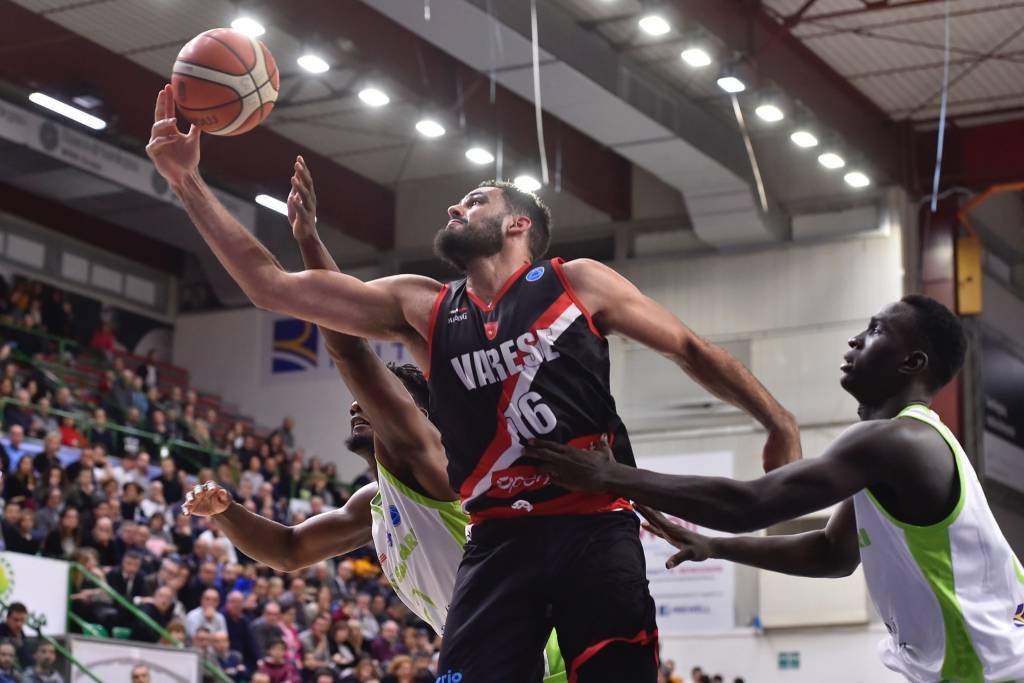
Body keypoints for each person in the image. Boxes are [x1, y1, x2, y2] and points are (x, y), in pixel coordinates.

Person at [149, 84, 799, 683]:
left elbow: (690, 348)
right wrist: (187, 182)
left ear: (518, 225)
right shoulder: (424, 308)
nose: (457, 204)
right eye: (458, 200)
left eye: (477, 199)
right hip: (498, 537)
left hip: (592, 523)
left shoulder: (578, 284)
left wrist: (778, 420)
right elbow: (274, 289)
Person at [181, 171, 567, 681]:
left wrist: (311, 244)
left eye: (385, 398)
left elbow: (349, 346)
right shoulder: (376, 504)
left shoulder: (438, 464)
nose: (357, 406)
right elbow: (289, 551)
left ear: (421, 416)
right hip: (487, 649)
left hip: (543, 660)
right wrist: (227, 512)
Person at [530, 296, 1024, 683]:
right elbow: (833, 553)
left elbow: (752, 503)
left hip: (990, 669)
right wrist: (714, 545)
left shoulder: (896, 441)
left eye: (875, 331)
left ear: (912, 362)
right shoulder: (896, 449)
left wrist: (611, 475)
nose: (854, 340)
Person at [0, 603, 31, 668]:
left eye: (22, 620)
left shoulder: (22, 636)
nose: (19, 624)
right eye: (15, 620)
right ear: (7, 618)